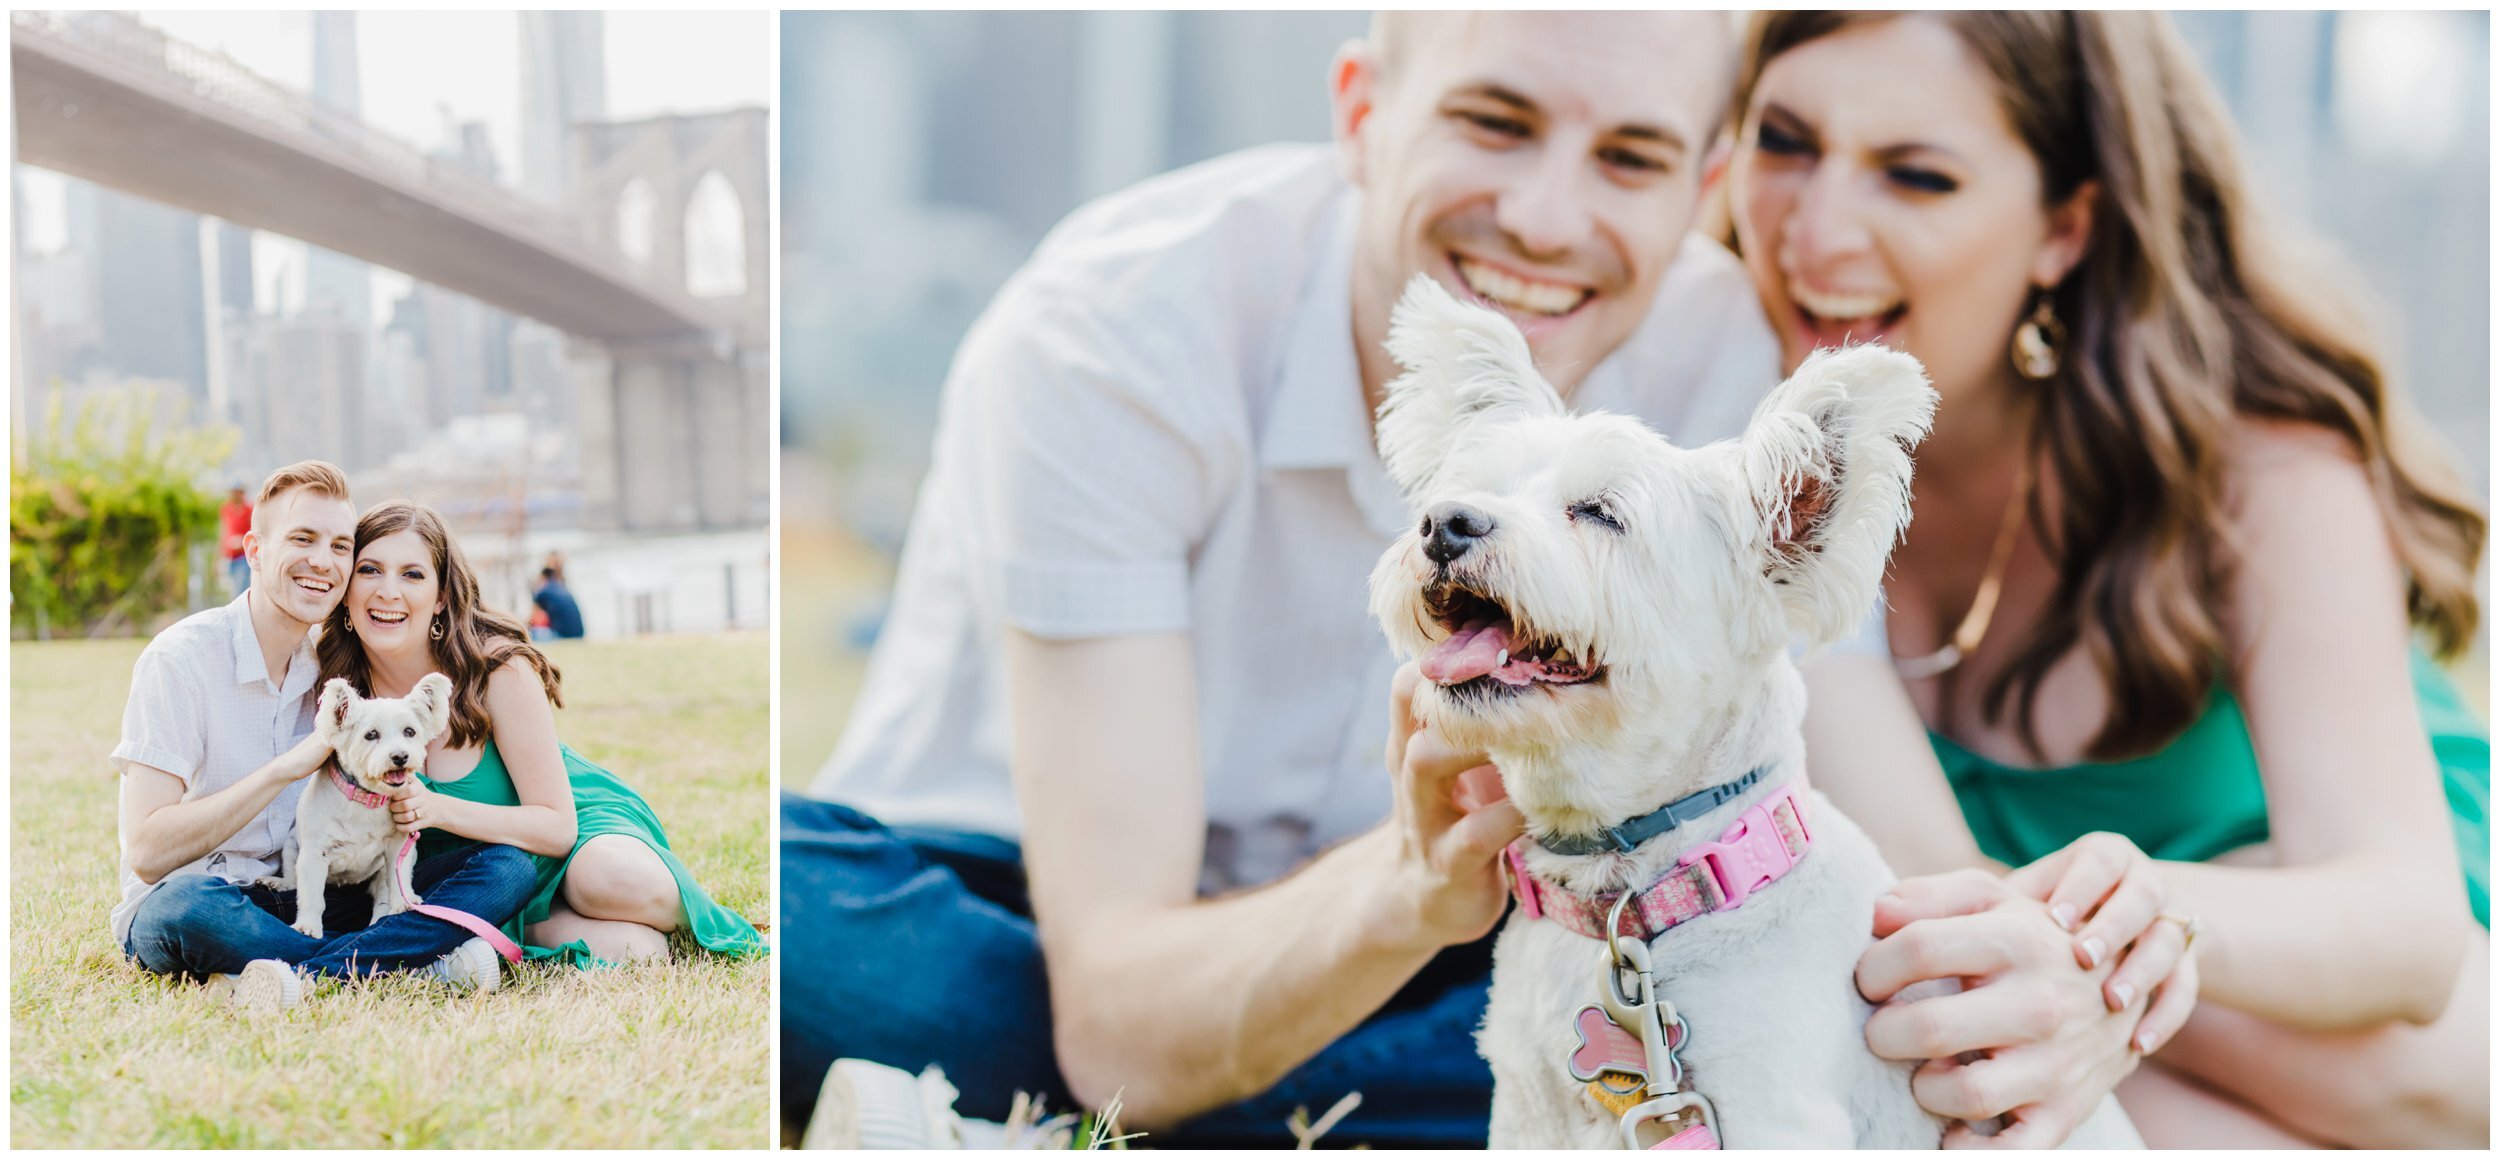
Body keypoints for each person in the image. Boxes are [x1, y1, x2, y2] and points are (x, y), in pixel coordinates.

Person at [785, 11, 1832, 1145]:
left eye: (1629, 157)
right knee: (816, 938)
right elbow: (1113, 1004)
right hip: (1010, 901)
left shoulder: (1726, 354)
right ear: (1361, 115)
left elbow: (1830, 798)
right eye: (1493, 122)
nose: (1542, 218)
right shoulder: (1114, 326)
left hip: (1474, 930)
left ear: (1701, 182)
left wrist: (2027, 950)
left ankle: (1023, 1113)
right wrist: (1401, 885)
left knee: (1609, 982)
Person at [1721, 12, 2489, 1147]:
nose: (1815, 228)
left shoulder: (2247, 458)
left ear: (2062, 229)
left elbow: (2412, 946)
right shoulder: (1715, 428)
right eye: (1783, 144)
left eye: (1917, 177)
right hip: (2024, 1024)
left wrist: (2125, 921)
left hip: (2345, 982)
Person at [115, 461, 537, 1011]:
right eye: (303, 538)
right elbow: (148, 854)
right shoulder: (180, 661)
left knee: (507, 867)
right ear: (255, 550)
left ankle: (305, 975)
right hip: (207, 899)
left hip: (316, 895)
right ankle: (404, 964)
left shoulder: (336, 669)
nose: (323, 561)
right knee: (186, 909)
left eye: (341, 546)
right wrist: (285, 768)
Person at [318, 500, 764, 965]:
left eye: (412, 575)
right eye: (370, 570)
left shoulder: (495, 670)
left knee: (614, 882)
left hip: (565, 831)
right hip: (480, 879)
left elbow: (556, 827)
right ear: (347, 587)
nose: (388, 592)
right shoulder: (336, 695)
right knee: (641, 955)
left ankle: (704, 918)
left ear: (442, 596)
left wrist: (436, 808)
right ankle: (524, 925)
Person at [532, 566, 586, 640]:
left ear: (542, 578)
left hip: (562, 635)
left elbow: (533, 617)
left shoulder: (543, 592)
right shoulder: (562, 588)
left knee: (531, 633)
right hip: (579, 634)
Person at [217, 484, 252, 598]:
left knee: (240, 590)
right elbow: (223, 532)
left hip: (244, 556)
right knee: (233, 589)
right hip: (230, 557)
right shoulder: (226, 509)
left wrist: (241, 541)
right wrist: (219, 557)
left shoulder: (249, 510)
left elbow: (255, 531)